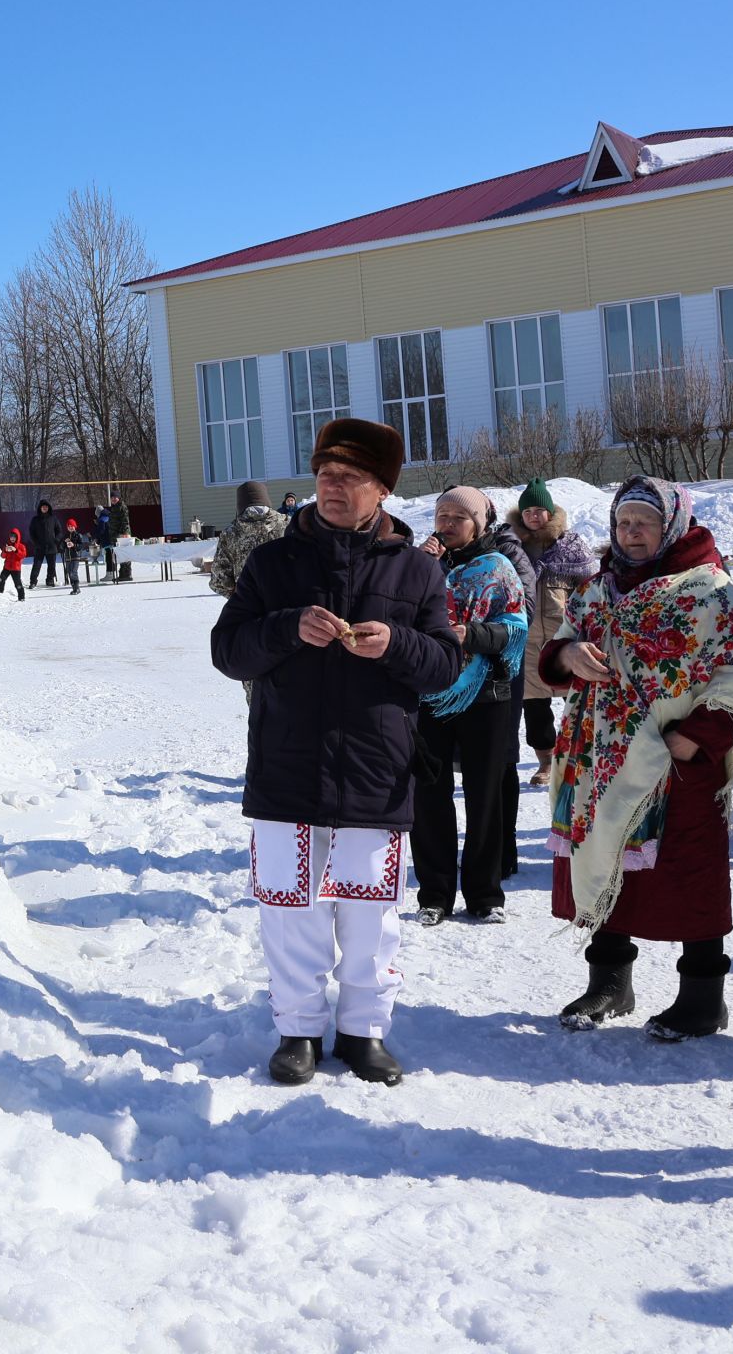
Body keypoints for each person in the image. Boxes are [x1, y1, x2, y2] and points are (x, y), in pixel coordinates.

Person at [212, 418, 461, 1087]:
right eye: (325, 474)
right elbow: (227, 650)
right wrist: (285, 627)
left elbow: (444, 664)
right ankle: (296, 1031)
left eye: (349, 477)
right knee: (289, 910)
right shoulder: (273, 562)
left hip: (374, 774)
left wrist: (398, 646)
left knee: (369, 913)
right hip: (286, 766)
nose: (333, 487)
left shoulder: (415, 571)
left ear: (381, 489)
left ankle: (363, 1029)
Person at [542, 477, 733, 1039]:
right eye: (624, 523)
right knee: (603, 856)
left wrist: (695, 738)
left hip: (676, 760)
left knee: (687, 875)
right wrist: (568, 652)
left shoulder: (708, 590)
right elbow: (560, 648)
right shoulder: (599, 587)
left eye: (644, 522)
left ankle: (702, 998)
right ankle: (610, 983)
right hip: (598, 756)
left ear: (671, 524)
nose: (632, 532)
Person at [411, 488, 527, 926]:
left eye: (459, 516)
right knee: (429, 794)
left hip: (486, 695)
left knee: (486, 795)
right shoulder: (421, 565)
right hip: (428, 693)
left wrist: (470, 635)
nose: (447, 523)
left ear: (479, 523)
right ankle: (434, 894)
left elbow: (515, 629)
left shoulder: (498, 567)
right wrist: (418, 568)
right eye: (441, 514)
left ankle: (484, 893)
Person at [510, 479, 595, 789]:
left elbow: (589, 590)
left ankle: (578, 755)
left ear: (550, 512)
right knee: (534, 704)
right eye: (528, 510)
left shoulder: (571, 545)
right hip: (528, 638)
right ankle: (546, 761)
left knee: (577, 699)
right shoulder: (511, 546)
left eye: (539, 510)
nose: (534, 516)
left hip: (566, 638)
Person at [208, 481, 289, 599]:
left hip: (249, 606)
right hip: (287, 604)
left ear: (240, 503)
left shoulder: (230, 533)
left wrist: (238, 597)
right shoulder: (289, 525)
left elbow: (219, 580)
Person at [28, 500, 62, 588]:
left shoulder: (53, 518)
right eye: (43, 506)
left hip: (51, 546)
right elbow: (31, 532)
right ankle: (33, 582)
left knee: (52, 566)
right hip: (39, 547)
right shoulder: (35, 519)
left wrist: (56, 540)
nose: (44, 508)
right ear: (40, 508)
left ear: (49, 508)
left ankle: (50, 580)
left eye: (46, 506)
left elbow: (59, 531)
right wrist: (36, 543)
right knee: (36, 565)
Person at [108, 494, 133, 582]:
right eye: (112, 498)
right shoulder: (114, 507)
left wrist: (125, 533)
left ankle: (126, 574)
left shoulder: (122, 506)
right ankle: (122, 574)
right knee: (120, 555)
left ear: (118, 498)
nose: (113, 499)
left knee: (124, 554)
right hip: (116, 535)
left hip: (122, 535)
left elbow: (125, 520)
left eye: (115, 497)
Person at [0, 528, 26, 601]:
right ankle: (0, 593)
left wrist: (15, 550)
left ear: (17, 537)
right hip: (7, 567)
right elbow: (2, 556)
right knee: (1, 579)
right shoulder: (7, 545)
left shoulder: (21, 546)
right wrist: (5, 551)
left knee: (18, 584)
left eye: (14, 537)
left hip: (16, 569)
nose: (12, 538)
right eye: (11, 537)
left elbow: (23, 555)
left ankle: (21, 598)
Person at [61, 518, 84, 595]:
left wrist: (74, 545)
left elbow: (81, 546)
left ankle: (77, 588)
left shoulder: (78, 535)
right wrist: (64, 543)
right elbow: (61, 547)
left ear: (75, 526)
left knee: (73, 572)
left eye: (72, 526)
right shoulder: (65, 536)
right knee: (69, 572)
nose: (71, 527)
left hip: (75, 557)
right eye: (69, 526)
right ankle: (74, 588)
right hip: (68, 557)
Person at [95, 505, 118, 581]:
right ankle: (113, 573)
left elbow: (101, 531)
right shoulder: (109, 515)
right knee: (112, 557)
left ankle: (109, 574)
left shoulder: (102, 519)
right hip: (113, 540)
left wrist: (95, 537)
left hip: (107, 541)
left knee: (109, 558)